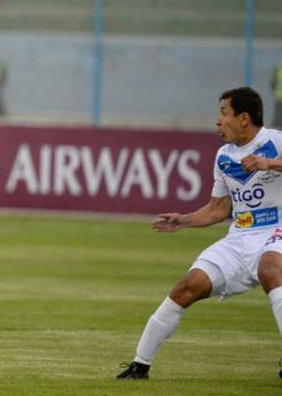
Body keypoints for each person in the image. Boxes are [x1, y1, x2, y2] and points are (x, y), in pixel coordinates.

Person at [117, 87, 282, 380]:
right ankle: (139, 365)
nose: (218, 121)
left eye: (224, 113)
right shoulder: (224, 156)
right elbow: (218, 209)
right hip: (240, 237)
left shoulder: (276, 141)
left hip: (277, 231)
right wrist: (183, 220)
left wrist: (268, 163)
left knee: (271, 269)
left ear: (244, 118)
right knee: (188, 286)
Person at [272, 62, 282, 128]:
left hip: (279, 96)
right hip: (279, 96)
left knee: (278, 114)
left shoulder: (279, 69)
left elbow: (273, 83)